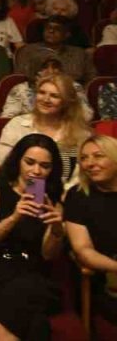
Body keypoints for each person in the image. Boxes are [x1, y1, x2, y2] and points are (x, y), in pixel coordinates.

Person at [0, 134, 67, 340]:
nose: (36, 171)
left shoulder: (53, 196)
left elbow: (48, 255)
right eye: (30, 162)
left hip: (33, 271)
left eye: (45, 166)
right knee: (36, 324)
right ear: (18, 160)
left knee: (23, 291)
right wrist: (15, 217)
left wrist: (57, 229)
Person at [64, 134, 117, 328]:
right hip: (103, 279)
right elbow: (83, 251)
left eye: (98, 156)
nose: (89, 163)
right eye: (84, 158)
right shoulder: (78, 196)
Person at [0, 74, 89, 184]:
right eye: (42, 93)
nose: (46, 99)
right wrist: (37, 194)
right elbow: (9, 169)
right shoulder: (16, 126)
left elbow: (81, 175)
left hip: (68, 194)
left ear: (66, 102)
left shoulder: (81, 133)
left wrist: (65, 195)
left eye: (54, 96)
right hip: (26, 192)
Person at [0, 58, 91, 120]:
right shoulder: (20, 89)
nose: (50, 71)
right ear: (36, 71)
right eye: (45, 67)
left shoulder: (73, 88)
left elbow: (87, 115)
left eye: (55, 67)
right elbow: (7, 117)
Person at [13, 15, 94, 85]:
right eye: (48, 28)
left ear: (67, 34)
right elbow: (20, 79)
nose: (51, 31)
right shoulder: (27, 51)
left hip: (72, 95)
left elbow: (91, 80)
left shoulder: (80, 54)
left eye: (57, 29)